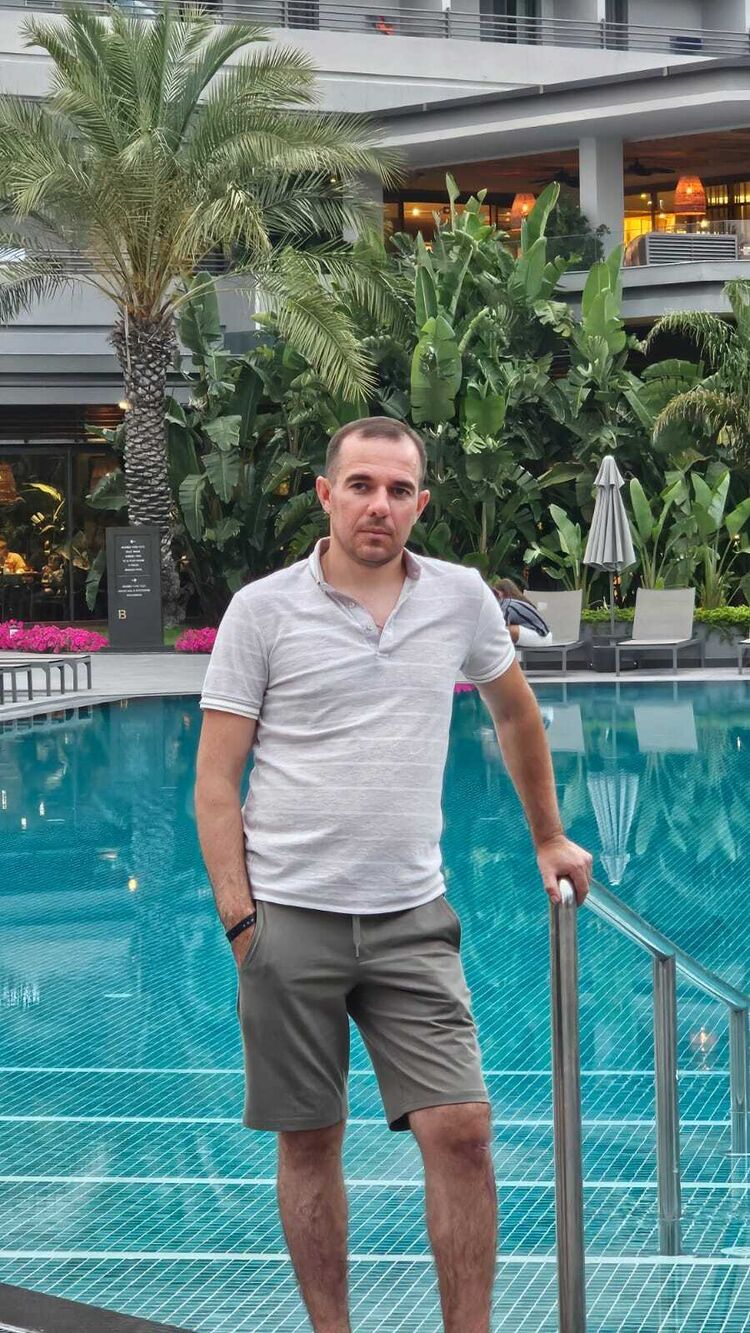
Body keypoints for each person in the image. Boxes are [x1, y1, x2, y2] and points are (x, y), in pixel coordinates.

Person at [195, 416, 592, 1333]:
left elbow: (515, 713)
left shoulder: (458, 597)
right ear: (326, 494)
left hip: (412, 916)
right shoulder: (262, 609)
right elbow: (216, 780)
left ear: (421, 503)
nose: (380, 504)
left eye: (399, 489)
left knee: (463, 1131)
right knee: (311, 1140)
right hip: (288, 916)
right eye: (362, 485)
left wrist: (547, 836)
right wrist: (242, 922)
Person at [491, 576, 553, 647]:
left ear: (502, 593)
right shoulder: (517, 604)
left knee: (505, 630)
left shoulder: (508, 605)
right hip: (543, 635)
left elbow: (500, 626)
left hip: (541, 636)